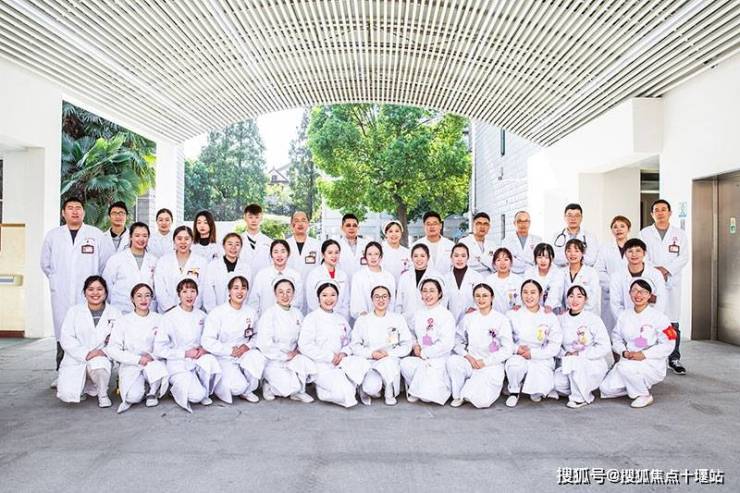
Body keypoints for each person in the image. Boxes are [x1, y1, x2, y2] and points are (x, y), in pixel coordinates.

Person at [41, 196, 115, 386]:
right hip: (62, 294)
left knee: (89, 332)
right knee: (64, 334)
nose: (75, 211)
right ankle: (62, 373)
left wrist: (96, 287)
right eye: (70, 208)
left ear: (83, 211)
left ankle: (91, 374)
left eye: (78, 208)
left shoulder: (95, 235)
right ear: (63, 213)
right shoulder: (53, 236)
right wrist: (58, 280)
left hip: (90, 295)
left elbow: (106, 263)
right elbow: (46, 264)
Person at [599, 279, 678, 408]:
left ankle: (644, 394)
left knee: (624, 368)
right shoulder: (624, 315)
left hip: (650, 362)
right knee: (606, 389)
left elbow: (669, 344)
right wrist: (623, 352)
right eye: (634, 290)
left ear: (649, 295)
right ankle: (637, 383)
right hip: (629, 358)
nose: (638, 295)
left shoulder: (660, 317)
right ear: (629, 293)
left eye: (643, 292)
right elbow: (616, 337)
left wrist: (644, 354)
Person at [153, 278, 222, 412]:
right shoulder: (169, 317)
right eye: (185, 292)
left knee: (210, 361)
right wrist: (184, 353)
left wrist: (204, 349)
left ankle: (205, 391)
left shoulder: (202, 315)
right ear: (178, 294)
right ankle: (177, 389)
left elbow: (210, 339)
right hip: (178, 362)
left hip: (197, 358)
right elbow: (159, 349)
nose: (189, 295)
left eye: (192, 291)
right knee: (196, 396)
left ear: (197, 294)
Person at [639, 199, 689, 375]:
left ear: (670, 213)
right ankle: (651, 357)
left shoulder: (679, 234)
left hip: (672, 282)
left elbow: (683, 257)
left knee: (672, 323)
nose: (660, 213)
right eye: (656, 210)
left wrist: (666, 270)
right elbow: (641, 255)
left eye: (663, 209)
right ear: (652, 214)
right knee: (650, 321)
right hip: (651, 281)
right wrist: (656, 271)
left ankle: (674, 358)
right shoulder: (645, 233)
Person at [56, 276, 121, 407]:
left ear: (106, 292)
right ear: (84, 292)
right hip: (76, 358)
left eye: (99, 289)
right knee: (67, 393)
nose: (95, 293)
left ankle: (102, 394)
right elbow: (66, 338)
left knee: (100, 366)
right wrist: (86, 353)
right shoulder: (74, 311)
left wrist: (103, 351)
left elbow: (119, 340)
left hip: (100, 356)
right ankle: (84, 385)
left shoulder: (115, 313)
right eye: (91, 289)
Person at [446, 283, 513, 408]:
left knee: (481, 401)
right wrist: (467, 356)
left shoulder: (501, 319)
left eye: (485, 296)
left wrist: (486, 362)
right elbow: (456, 340)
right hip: (471, 362)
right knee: (453, 361)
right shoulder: (468, 318)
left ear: (492, 297)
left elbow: (508, 349)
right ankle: (457, 395)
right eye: (477, 296)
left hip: (491, 364)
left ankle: (469, 390)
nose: (481, 299)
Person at [202, 275, 266, 404]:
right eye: (236, 288)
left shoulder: (251, 312)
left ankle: (248, 390)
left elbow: (257, 335)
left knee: (258, 357)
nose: (240, 291)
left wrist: (247, 346)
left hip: (243, 353)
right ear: (229, 291)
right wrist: (229, 350)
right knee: (236, 388)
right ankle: (233, 384)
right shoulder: (218, 313)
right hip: (224, 357)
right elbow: (207, 341)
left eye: (243, 288)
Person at [106, 283, 169, 413]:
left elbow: (167, 344)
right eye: (139, 296)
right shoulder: (123, 321)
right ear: (132, 299)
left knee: (156, 370)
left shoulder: (160, 319)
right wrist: (137, 359)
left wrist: (152, 355)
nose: (143, 299)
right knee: (133, 397)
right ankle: (141, 386)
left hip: (153, 361)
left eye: (147, 295)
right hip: (132, 363)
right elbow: (112, 349)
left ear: (152, 298)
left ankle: (152, 391)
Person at [345, 285, 413, 406]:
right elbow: (355, 345)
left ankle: (389, 392)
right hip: (369, 361)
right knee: (371, 388)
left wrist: (388, 353)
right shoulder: (363, 320)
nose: (381, 300)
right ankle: (372, 388)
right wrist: (371, 353)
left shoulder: (398, 319)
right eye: (377, 296)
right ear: (372, 299)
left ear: (389, 299)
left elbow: (407, 345)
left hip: (389, 360)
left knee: (388, 366)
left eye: (384, 296)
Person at [298, 281, 358, 408]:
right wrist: (329, 357)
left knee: (351, 391)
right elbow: (305, 345)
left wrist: (344, 352)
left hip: (340, 364)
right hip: (320, 365)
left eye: (333, 295)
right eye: (324, 295)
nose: (329, 299)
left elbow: (351, 340)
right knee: (346, 394)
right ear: (318, 297)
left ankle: (324, 390)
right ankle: (323, 393)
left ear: (337, 297)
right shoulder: (311, 318)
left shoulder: (340, 319)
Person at [504, 279, 563, 407]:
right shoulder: (512, 314)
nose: (529, 296)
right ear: (520, 295)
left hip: (541, 356)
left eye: (533, 292)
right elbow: (504, 340)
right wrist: (516, 349)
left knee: (537, 394)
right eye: (525, 292)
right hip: (519, 354)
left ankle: (532, 385)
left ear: (540, 295)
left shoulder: (549, 316)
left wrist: (533, 353)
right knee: (514, 366)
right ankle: (514, 391)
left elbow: (555, 345)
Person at [256, 278, 315, 403]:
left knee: (309, 366)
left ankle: (300, 391)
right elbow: (264, 344)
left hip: (293, 357)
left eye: (288, 291)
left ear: (293, 293)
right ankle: (268, 385)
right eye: (281, 292)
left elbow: (303, 337)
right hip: (274, 360)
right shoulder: (269, 314)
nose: (285, 295)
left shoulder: (298, 314)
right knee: (288, 388)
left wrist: (297, 351)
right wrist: (284, 355)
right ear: (275, 294)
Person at [400, 277, 456, 405]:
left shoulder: (446, 315)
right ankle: (416, 388)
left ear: (439, 294)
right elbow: (410, 332)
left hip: (439, 359)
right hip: (421, 357)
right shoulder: (418, 313)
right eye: (424, 291)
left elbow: (446, 344)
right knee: (405, 364)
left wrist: (425, 353)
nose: (428, 294)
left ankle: (421, 390)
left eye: (432, 291)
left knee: (427, 398)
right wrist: (415, 345)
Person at [553, 285, 610, 408]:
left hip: (591, 363)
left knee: (576, 362)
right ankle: (580, 388)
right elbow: (554, 343)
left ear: (586, 299)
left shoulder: (593, 319)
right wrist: (565, 354)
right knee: (557, 383)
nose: (575, 300)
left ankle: (580, 397)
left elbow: (605, 346)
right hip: (568, 362)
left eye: (579, 296)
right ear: (567, 299)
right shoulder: (560, 319)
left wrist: (580, 354)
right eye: (571, 296)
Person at [103, 222, 158, 314]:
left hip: (147, 311)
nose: (141, 239)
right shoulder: (116, 259)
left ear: (148, 238)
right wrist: (118, 300)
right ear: (130, 237)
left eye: (145, 236)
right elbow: (107, 284)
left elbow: (157, 288)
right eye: (137, 235)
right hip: (122, 310)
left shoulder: (154, 261)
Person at [609, 238, 668, 322]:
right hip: (626, 321)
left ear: (644, 253)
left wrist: (652, 320)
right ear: (625, 254)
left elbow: (661, 300)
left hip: (651, 321)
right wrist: (625, 321)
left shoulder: (656, 274)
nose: (634, 254)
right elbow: (615, 304)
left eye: (638, 251)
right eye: (630, 251)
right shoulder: (617, 276)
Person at [154, 225, 207, 313]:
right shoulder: (163, 261)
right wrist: (170, 308)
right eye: (179, 238)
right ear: (174, 240)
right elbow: (160, 288)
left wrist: (189, 308)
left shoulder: (201, 262)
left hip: (192, 312)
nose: (183, 242)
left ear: (192, 241)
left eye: (187, 239)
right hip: (168, 312)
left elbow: (202, 288)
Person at [248, 239, 304, 316]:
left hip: (288, 319)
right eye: (275, 252)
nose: (279, 255)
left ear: (288, 254)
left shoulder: (295, 276)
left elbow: (298, 302)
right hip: (265, 319)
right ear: (271, 255)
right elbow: (254, 301)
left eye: (283, 251)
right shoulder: (262, 275)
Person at [594, 215, 631, 329]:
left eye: (622, 226)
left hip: (631, 292)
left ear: (628, 229)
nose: (618, 229)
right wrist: (613, 285)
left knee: (629, 326)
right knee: (610, 327)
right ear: (611, 230)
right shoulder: (605, 248)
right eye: (615, 227)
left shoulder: (635, 247)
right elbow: (599, 270)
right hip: (609, 292)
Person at [202, 233, 253, 312]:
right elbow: (208, 292)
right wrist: (214, 313)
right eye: (230, 244)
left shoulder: (246, 268)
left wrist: (240, 312)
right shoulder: (212, 266)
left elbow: (248, 293)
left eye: (237, 244)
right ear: (223, 246)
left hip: (239, 313)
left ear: (241, 247)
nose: (233, 247)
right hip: (216, 313)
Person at [396, 244, 444, 326]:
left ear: (428, 257)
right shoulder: (404, 277)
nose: (419, 259)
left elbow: (442, 302)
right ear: (411, 258)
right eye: (415, 256)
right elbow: (399, 303)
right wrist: (398, 321)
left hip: (429, 322)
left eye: (422, 256)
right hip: (406, 321)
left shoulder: (437, 276)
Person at [350, 241, 396, 319]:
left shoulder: (389, 277)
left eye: (376, 254)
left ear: (381, 256)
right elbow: (355, 302)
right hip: (364, 319)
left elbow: (392, 302)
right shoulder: (358, 276)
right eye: (369, 254)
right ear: (365, 256)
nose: (373, 257)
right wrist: (366, 318)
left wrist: (386, 317)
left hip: (386, 319)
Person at [305, 239, 350, 319]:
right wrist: (325, 318)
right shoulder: (314, 274)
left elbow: (345, 303)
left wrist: (342, 319)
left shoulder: (343, 275)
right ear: (323, 254)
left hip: (339, 318)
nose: (334, 256)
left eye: (336, 252)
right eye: (330, 253)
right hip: (319, 318)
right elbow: (312, 301)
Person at [443, 243, 484, 322]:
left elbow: (483, 298)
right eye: (456, 256)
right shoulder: (445, 278)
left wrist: (475, 308)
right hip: (450, 321)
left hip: (472, 320)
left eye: (463, 256)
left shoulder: (477, 277)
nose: (459, 259)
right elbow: (442, 302)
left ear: (468, 258)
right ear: (451, 257)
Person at [562, 239, 601, 316]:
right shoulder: (561, 272)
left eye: (576, 251)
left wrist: (577, 311)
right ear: (565, 253)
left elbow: (594, 298)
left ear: (582, 253)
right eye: (569, 251)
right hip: (567, 315)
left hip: (587, 314)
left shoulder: (591, 272)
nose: (572, 254)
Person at [552, 203, 599, 267]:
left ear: (581, 218)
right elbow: (554, 258)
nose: (573, 218)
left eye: (577, 216)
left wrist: (568, 257)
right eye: (570, 215)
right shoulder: (556, 236)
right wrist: (578, 256)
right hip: (562, 271)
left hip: (583, 271)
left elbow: (591, 259)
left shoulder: (590, 236)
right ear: (565, 217)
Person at [524, 243, 565, 314]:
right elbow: (525, 291)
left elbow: (556, 293)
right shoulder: (529, 272)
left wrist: (549, 305)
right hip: (532, 308)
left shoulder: (558, 273)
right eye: (539, 257)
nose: (543, 261)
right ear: (535, 258)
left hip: (552, 309)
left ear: (552, 258)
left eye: (546, 257)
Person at [286, 211, 322, 284]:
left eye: (303, 220)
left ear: (308, 223)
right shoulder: (285, 245)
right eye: (296, 221)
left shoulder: (318, 245)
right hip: (289, 286)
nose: (300, 224)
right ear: (291, 224)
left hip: (312, 286)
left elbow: (322, 268)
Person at [484, 248, 523, 315]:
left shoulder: (519, 280)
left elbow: (521, 302)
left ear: (511, 262)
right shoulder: (488, 281)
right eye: (498, 260)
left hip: (514, 316)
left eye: (506, 259)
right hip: (493, 317)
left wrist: (519, 306)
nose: (502, 263)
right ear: (494, 263)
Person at [502, 211, 542, 275]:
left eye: (526, 221)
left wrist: (517, 258)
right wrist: (529, 264)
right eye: (519, 221)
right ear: (514, 223)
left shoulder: (537, 240)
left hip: (533, 275)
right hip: (513, 276)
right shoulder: (507, 241)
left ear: (529, 223)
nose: (523, 224)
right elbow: (508, 261)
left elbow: (539, 260)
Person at [239, 203, 272, 274]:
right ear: (244, 218)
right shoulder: (238, 240)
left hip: (263, 278)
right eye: (250, 217)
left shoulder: (269, 242)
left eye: (257, 217)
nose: (254, 221)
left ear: (261, 218)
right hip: (242, 277)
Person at [336, 213, 369, 281]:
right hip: (343, 282)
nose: (351, 228)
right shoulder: (336, 245)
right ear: (342, 228)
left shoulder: (366, 244)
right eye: (348, 225)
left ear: (358, 228)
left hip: (363, 282)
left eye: (354, 225)